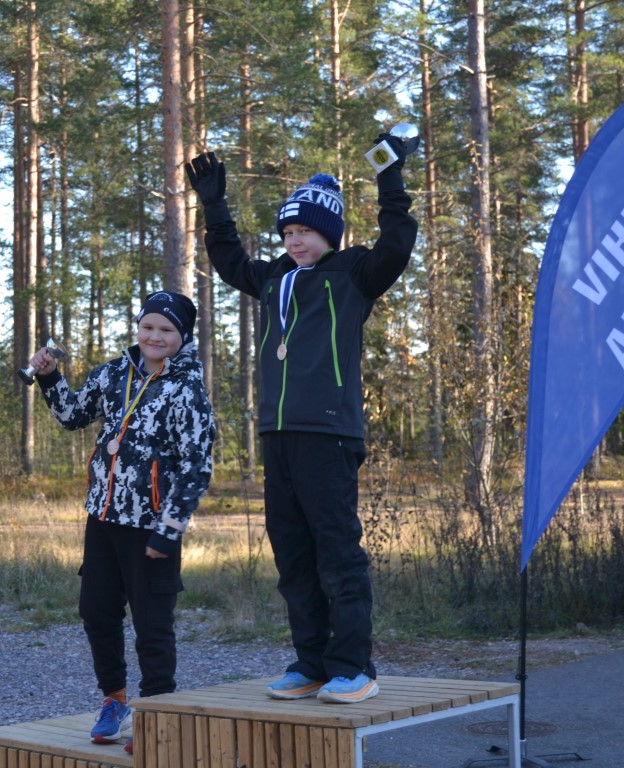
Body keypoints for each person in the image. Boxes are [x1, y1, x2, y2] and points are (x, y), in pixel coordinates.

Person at [185, 137, 417, 704]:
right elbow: (229, 260)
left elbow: (396, 244)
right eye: (288, 232)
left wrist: (389, 178)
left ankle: (353, 667)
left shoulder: (355, 272)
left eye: (307, 231)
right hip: (279, 434)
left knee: (337, 552)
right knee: (292, 555)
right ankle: (311, 663)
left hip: (329, 434)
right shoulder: (274, 279)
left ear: (330, 234)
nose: (295, 241)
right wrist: (214, 205)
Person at [27, 290, 215, 747]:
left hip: (152, 528)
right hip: (103, 519)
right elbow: (73, 416)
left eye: (166, 330)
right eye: (148, 326)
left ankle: (158, 715)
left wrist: (169, 530)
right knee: (97, 613)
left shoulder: (187, 389)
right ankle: (114, 701)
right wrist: (50, 378)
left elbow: (197, 467)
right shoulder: (112, 374)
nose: (155, 336)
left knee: (152, 626)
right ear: (138, 328)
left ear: (183, 336)